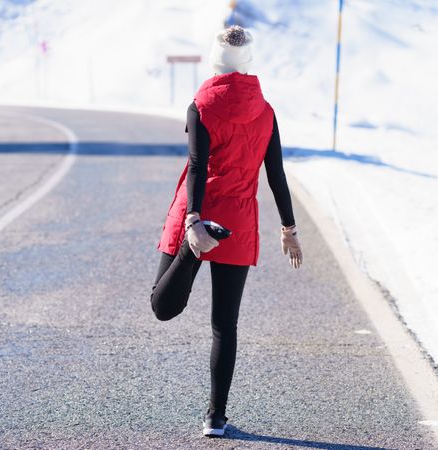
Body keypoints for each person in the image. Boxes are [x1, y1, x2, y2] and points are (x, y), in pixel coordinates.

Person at [150, 25, 304, 438]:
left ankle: (190, 251)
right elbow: (276, 174)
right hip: (236, 219)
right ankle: (216, 418)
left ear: (215, 60)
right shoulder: (266, 111)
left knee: (163, 306)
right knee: (225, 325)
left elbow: (198, 167)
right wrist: (289, 228)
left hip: (197, 215)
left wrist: (193, 223)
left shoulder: (201, 104)